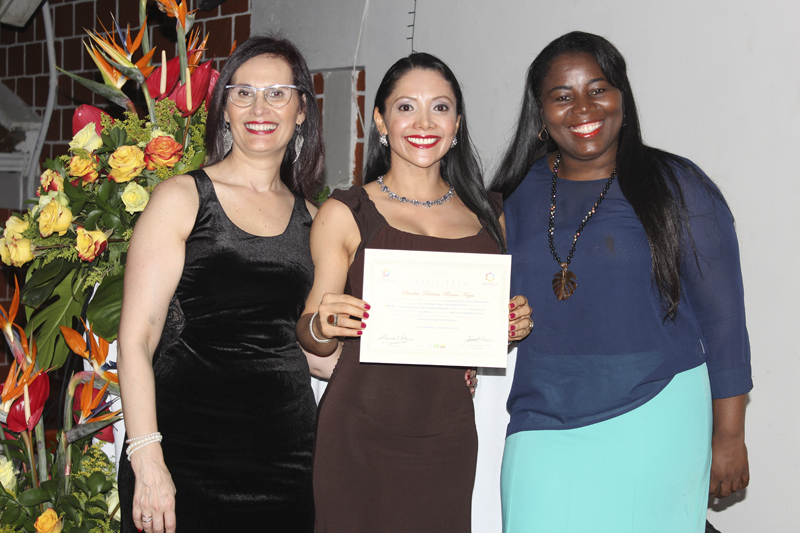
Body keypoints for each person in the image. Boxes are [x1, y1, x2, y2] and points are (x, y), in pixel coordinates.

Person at [491, 31, 752, 532]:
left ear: (622, 99)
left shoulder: (676, 186)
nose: (583, 108)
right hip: (539, 419)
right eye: (562, 96)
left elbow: (724, 322)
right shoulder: (510, 197)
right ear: (541, 113)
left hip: (657, 413)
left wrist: (728, 436)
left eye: (598, 89)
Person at [296, 53, 532, 532]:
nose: (424, 123)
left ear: (457, 124)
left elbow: (477, 335)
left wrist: (508, 328)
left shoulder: (490, 216)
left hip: (449, 433)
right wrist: (323, 324)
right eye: (406, 107)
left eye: (440, 108)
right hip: (358, 429)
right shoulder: (345, 211)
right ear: (381, 121)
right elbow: (311, 334)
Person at [117, 36, 326, 533]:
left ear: (301, 110)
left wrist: (435, 369)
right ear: (225, 109)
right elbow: (136, 338)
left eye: (277, 93)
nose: (260, 108)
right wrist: (147, 458)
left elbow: (320, 350)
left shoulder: (318, 220)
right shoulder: (181, 198)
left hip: (287, 458)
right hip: (181, 452)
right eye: (243, 93)